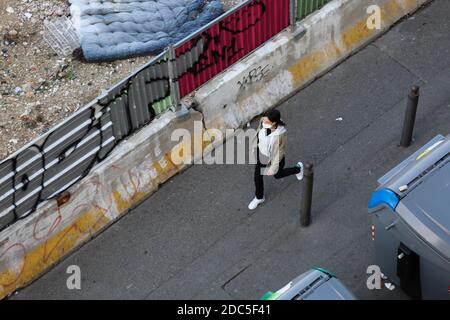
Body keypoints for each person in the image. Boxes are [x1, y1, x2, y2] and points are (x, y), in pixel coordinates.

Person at [248, 109, 304, 210]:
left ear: (274, 123)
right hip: (262, 155)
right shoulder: (263, 121)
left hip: (274, 159)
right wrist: (254, 148)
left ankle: (298, 169)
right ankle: (259, 197)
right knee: (257, 176)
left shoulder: (281, 134)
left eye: (267, 122)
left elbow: (279, 152)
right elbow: (258, 134)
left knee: (278, 175)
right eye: (264, 120)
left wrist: (273, 168)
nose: (264, 122)